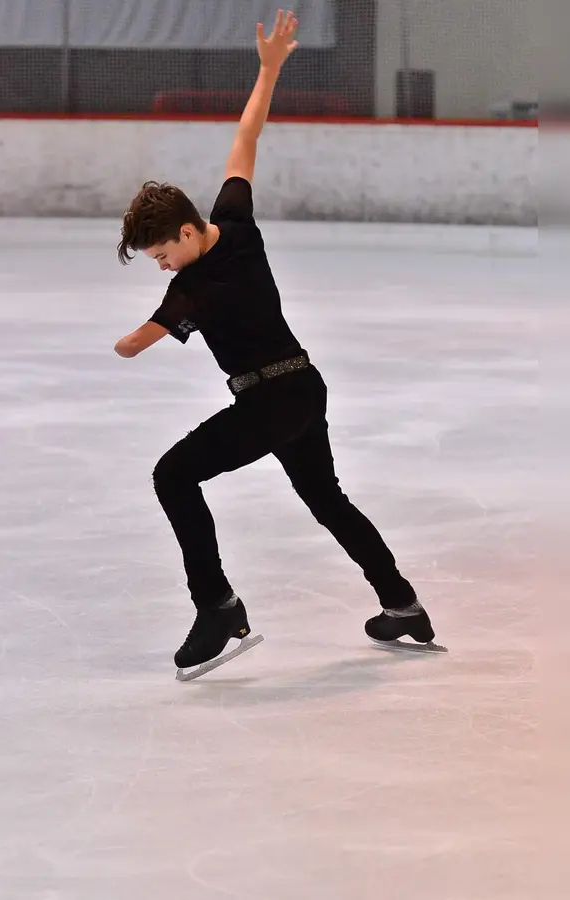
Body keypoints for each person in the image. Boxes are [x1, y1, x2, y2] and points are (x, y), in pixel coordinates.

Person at [114, 10, 440, 680]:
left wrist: (128, 338)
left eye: (159, 253)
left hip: (270, 401)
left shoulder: (190, 293)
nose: (161, 265)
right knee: (326, 499)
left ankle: (218, 605)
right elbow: (246, 137)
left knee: (173, 475)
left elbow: (132, 346)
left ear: (181, 229)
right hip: (302, 389)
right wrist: (268, 69)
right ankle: (401, 604)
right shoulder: (234, 221)